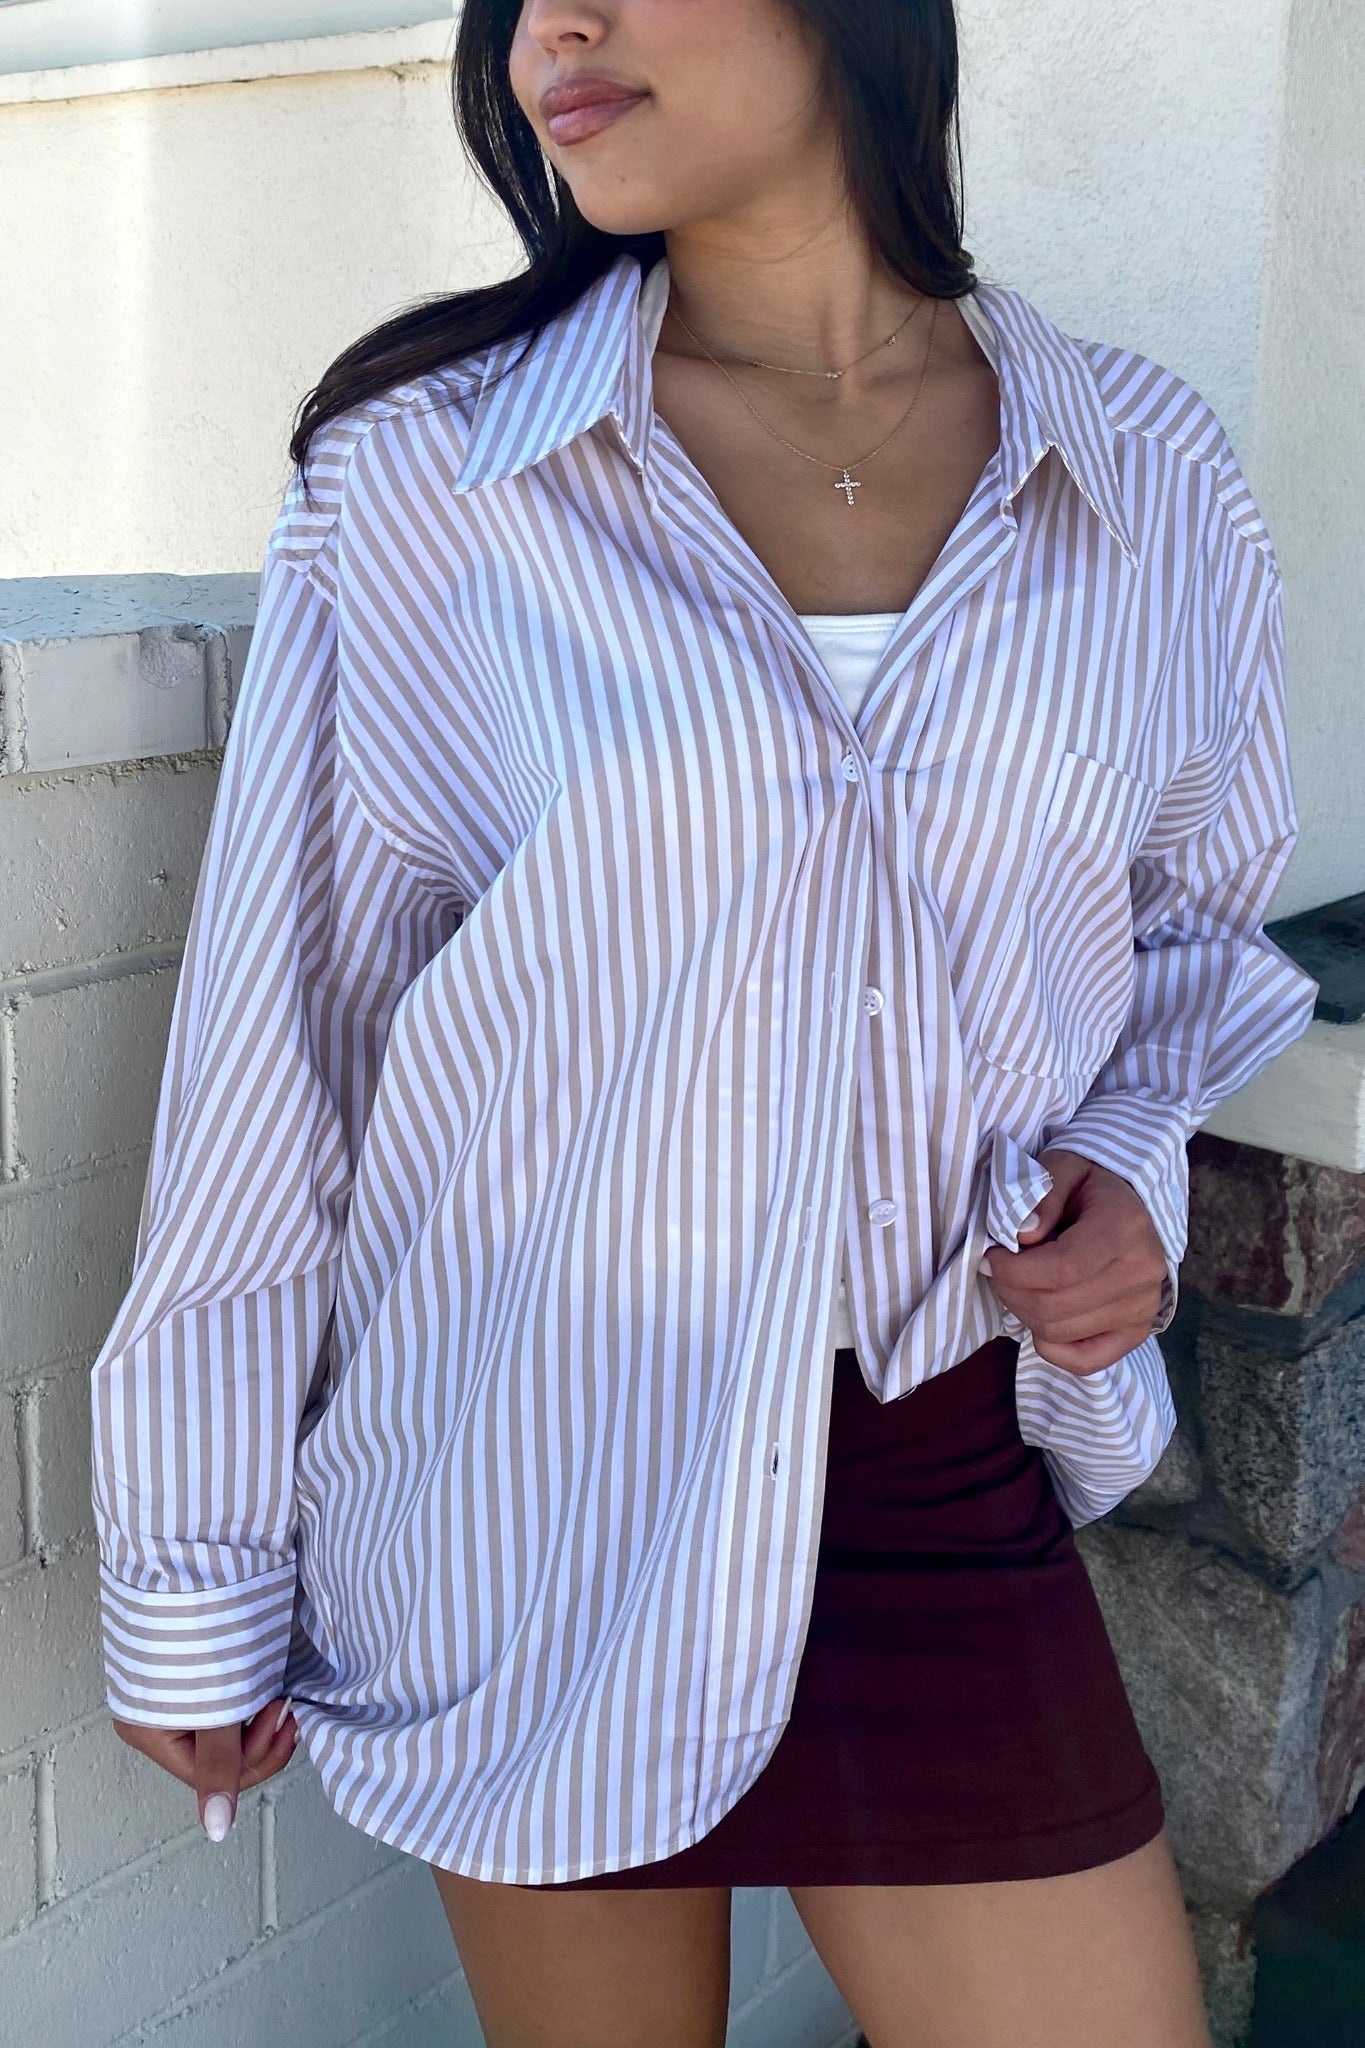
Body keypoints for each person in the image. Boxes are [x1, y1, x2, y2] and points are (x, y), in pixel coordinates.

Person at [88, 2, 1320, 2044]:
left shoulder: (1144, 479)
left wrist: (1122, 1173)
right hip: (534, 1478)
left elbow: (1185, 931)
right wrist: (196, 1571)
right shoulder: (427, 487)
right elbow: (274, 1056)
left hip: (933, 1456)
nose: (546, 28)